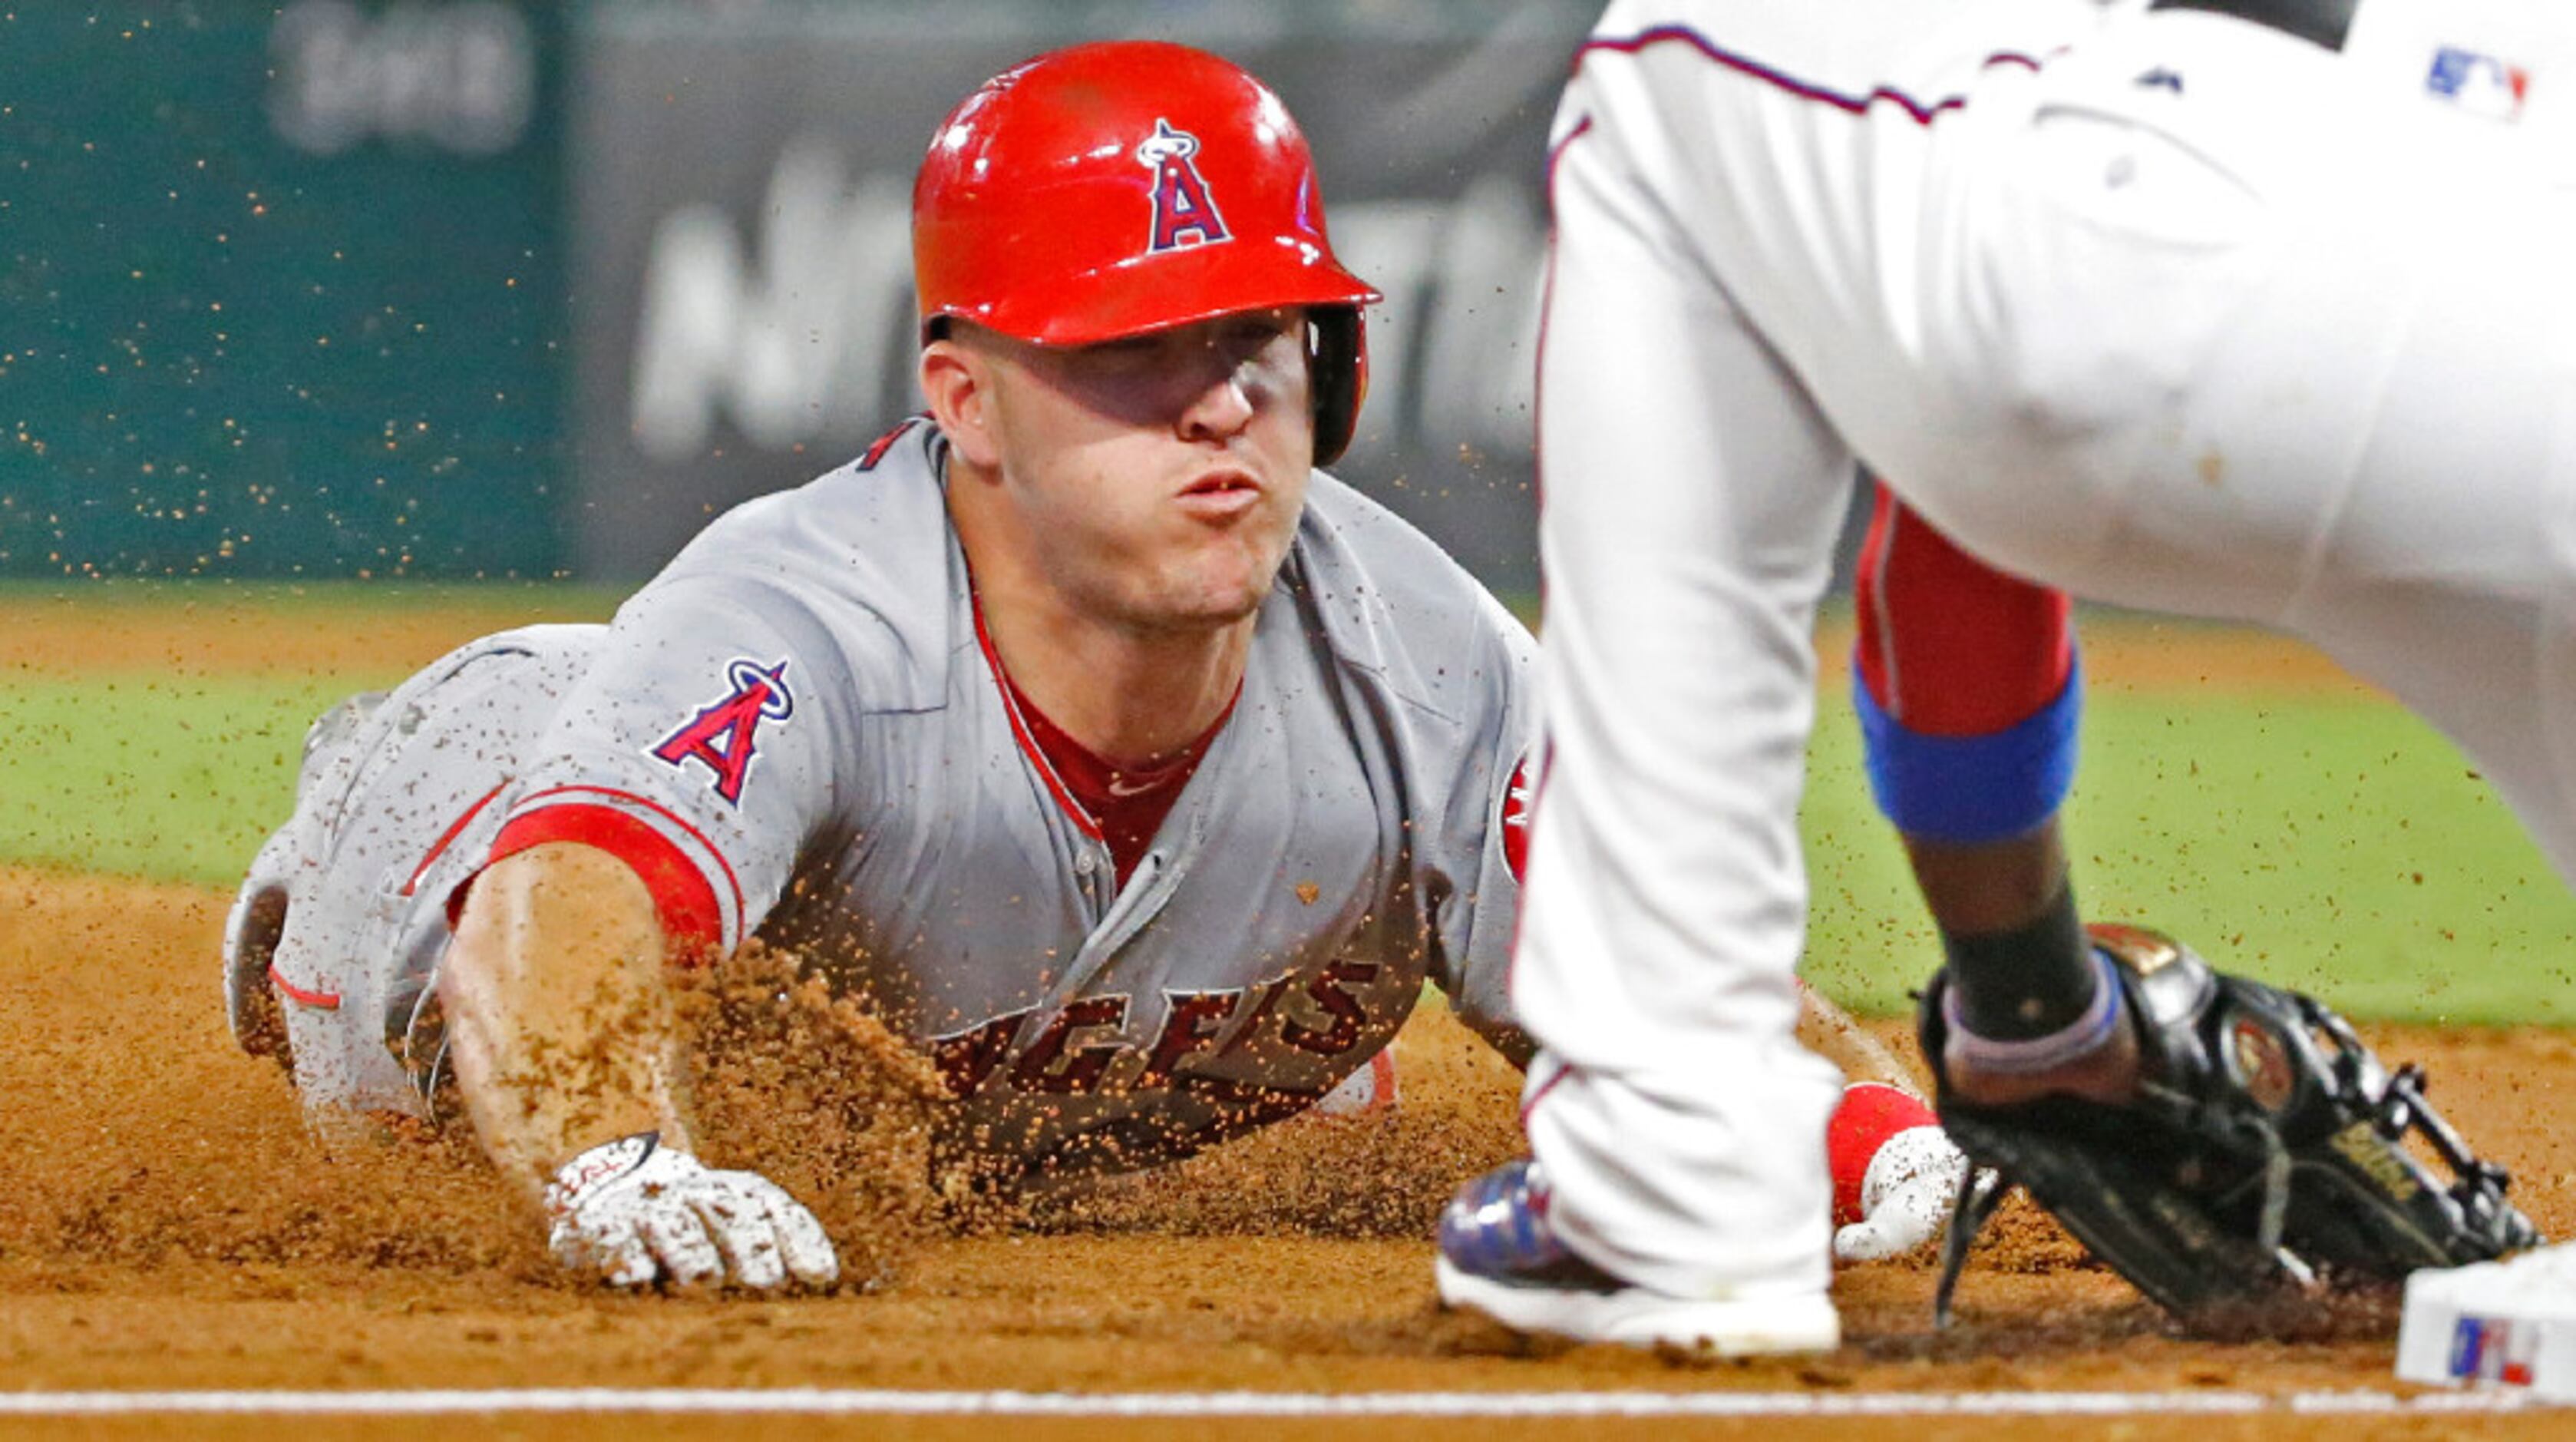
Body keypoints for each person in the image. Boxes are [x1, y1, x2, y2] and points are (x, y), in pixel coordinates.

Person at [220, 39, 1963, 1291]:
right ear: (965, 400)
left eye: (1258, 339)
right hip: (475, 850)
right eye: (1134, 351)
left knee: (1302, 1060)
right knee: (533, 894)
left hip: (1017, 1007)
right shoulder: (801, 618)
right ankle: (330, 898)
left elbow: (1672, 1004)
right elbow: (578, 903)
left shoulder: (1419, 658)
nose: (1220, 403)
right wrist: (616, 1155)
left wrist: (1874, 1136)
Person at [1435, 0, 2564, 1352]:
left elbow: (1948, 575)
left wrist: (2030, 1008)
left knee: (1654, 67)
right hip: (2521, 314)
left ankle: (1669, 1172)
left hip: (2214, 208)